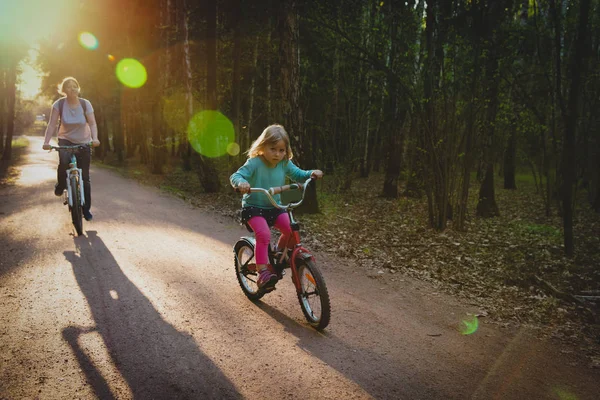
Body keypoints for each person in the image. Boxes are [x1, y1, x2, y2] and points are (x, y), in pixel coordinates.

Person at [230, 124, 323, 291]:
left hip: (275, 206)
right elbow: (236, 175)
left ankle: (279, 254)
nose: (278, 154)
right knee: (264, 235)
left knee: (291, 231)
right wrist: (241, 182)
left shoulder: (284, 163)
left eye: (281, 150)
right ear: (263, 146)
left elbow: (298, 174)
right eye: (273, 149)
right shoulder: (255, 163)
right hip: (254, 208)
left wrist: (311, 173)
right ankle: (263, 272)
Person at [42, 77, 100, 221]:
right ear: (64, 90)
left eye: (75, 86)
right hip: (65, 139)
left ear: (78, 88)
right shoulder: (59, 104)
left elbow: (92, 123)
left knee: (85, 178)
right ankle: (61, 184)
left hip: (84, 141)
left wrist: (95, 139)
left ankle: (86, 209)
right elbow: (51, 125)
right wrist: (46, 142)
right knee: (64, 162)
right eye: (69, 86)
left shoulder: (85, 104)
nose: (72, 88)